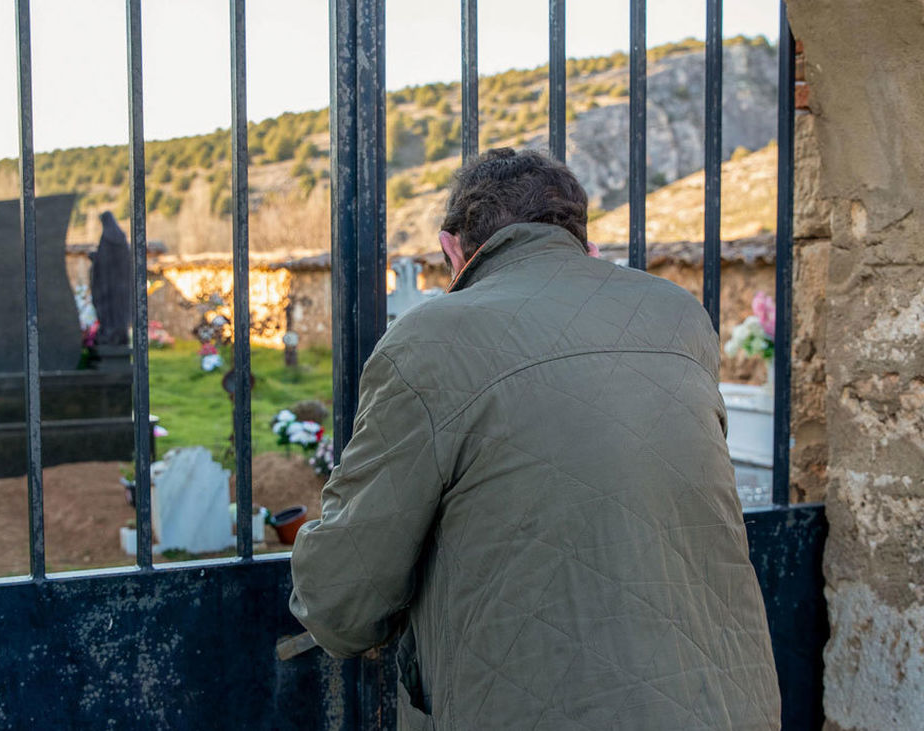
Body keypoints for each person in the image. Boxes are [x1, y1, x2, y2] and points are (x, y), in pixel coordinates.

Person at [289, 148, 781, 729]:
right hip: (725, 701)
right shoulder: (677, 315)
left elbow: (343, 599)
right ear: (581, 241)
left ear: (453, 250)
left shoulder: (432, 340)